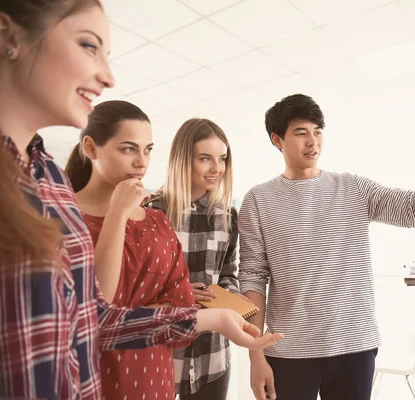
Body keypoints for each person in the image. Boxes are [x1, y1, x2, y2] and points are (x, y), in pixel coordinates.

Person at [0, 2, 281, 399]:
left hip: (160, 371)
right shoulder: (125, 204)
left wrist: (217, 314)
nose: (107, 75)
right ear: (9, 37)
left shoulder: (48, 180)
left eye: (147, 149)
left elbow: (93, 318)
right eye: (87, 46)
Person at [239, 94, 415, 400]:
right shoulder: (258, 201)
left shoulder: (352, 188)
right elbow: (252, 277)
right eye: (301, 133)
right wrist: (255, 354)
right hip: (288, 352)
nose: (312, 141)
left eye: (318, 132)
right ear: (277, 140)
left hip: (354, 348)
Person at [64, 100, 198, 400]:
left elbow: (183, 311)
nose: (141, 162)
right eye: (128, 149)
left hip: (155, 381)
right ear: (90, 147)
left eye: (148, 149)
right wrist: (117, 214)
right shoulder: (64, 218)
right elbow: (91, 313)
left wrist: (124, 317)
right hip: (91, 384)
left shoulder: (157, 222)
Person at [147, 118, 243, 400]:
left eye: (222, 158)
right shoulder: (152, 212)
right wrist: (182, 294)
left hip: (211, 354)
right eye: (205, 158)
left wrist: (233, 298)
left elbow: (227, 273)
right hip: (161, 348)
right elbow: (137, 289)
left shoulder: (228, 217)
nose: (217, 168)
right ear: (183, 160)